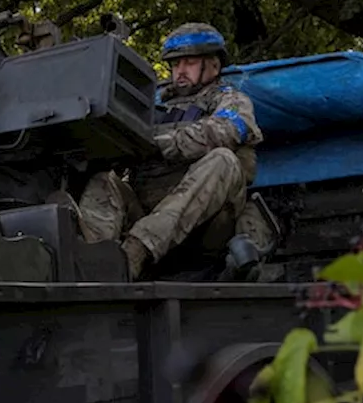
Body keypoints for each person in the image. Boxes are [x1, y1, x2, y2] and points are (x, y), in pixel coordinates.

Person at [69, 22, 272, 280]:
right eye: (175, 64)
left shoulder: (231, 100)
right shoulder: (154, 104)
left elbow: (226, 131)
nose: (180, 71)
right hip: (149, 208)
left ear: (213, 65)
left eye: (188, 62)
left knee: (224, 159)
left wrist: (157, 141)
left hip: (207, 227)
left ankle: (134, 252)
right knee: (105, 180)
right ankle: (93, 262)